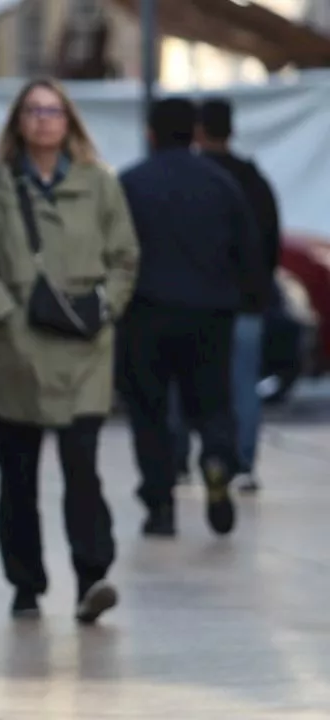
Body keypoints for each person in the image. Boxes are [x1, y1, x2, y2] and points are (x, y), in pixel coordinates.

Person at [0, 78, 140, 623]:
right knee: (18, 476)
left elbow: (125, 258)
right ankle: (25, 584)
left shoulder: (100, 185)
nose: (44, 120)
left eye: (54, 111)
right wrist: (9, 317)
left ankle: (92, 577)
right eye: (33, 111)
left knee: (82, 468)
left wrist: (105, 306)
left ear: (69, 122)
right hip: (16, 352)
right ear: (18, 121)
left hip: (85, 347)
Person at [118, 98, 266, 538]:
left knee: (150, 410)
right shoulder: (222, 185)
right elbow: (249, 253)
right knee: (213, 403)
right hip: (210, 315)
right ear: (196, 132)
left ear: (150, 133)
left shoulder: (130, 184)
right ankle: (218, 457)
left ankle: (160, 503)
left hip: (145, 313)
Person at [178, 98, 281, 494]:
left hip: (197, 301)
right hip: (245, 303)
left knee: (185, 382)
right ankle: (242, 463)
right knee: (243, 386)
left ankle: (184, 462)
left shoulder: (193, 179)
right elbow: (270, 242)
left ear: (199, 131)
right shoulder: (253, 181)